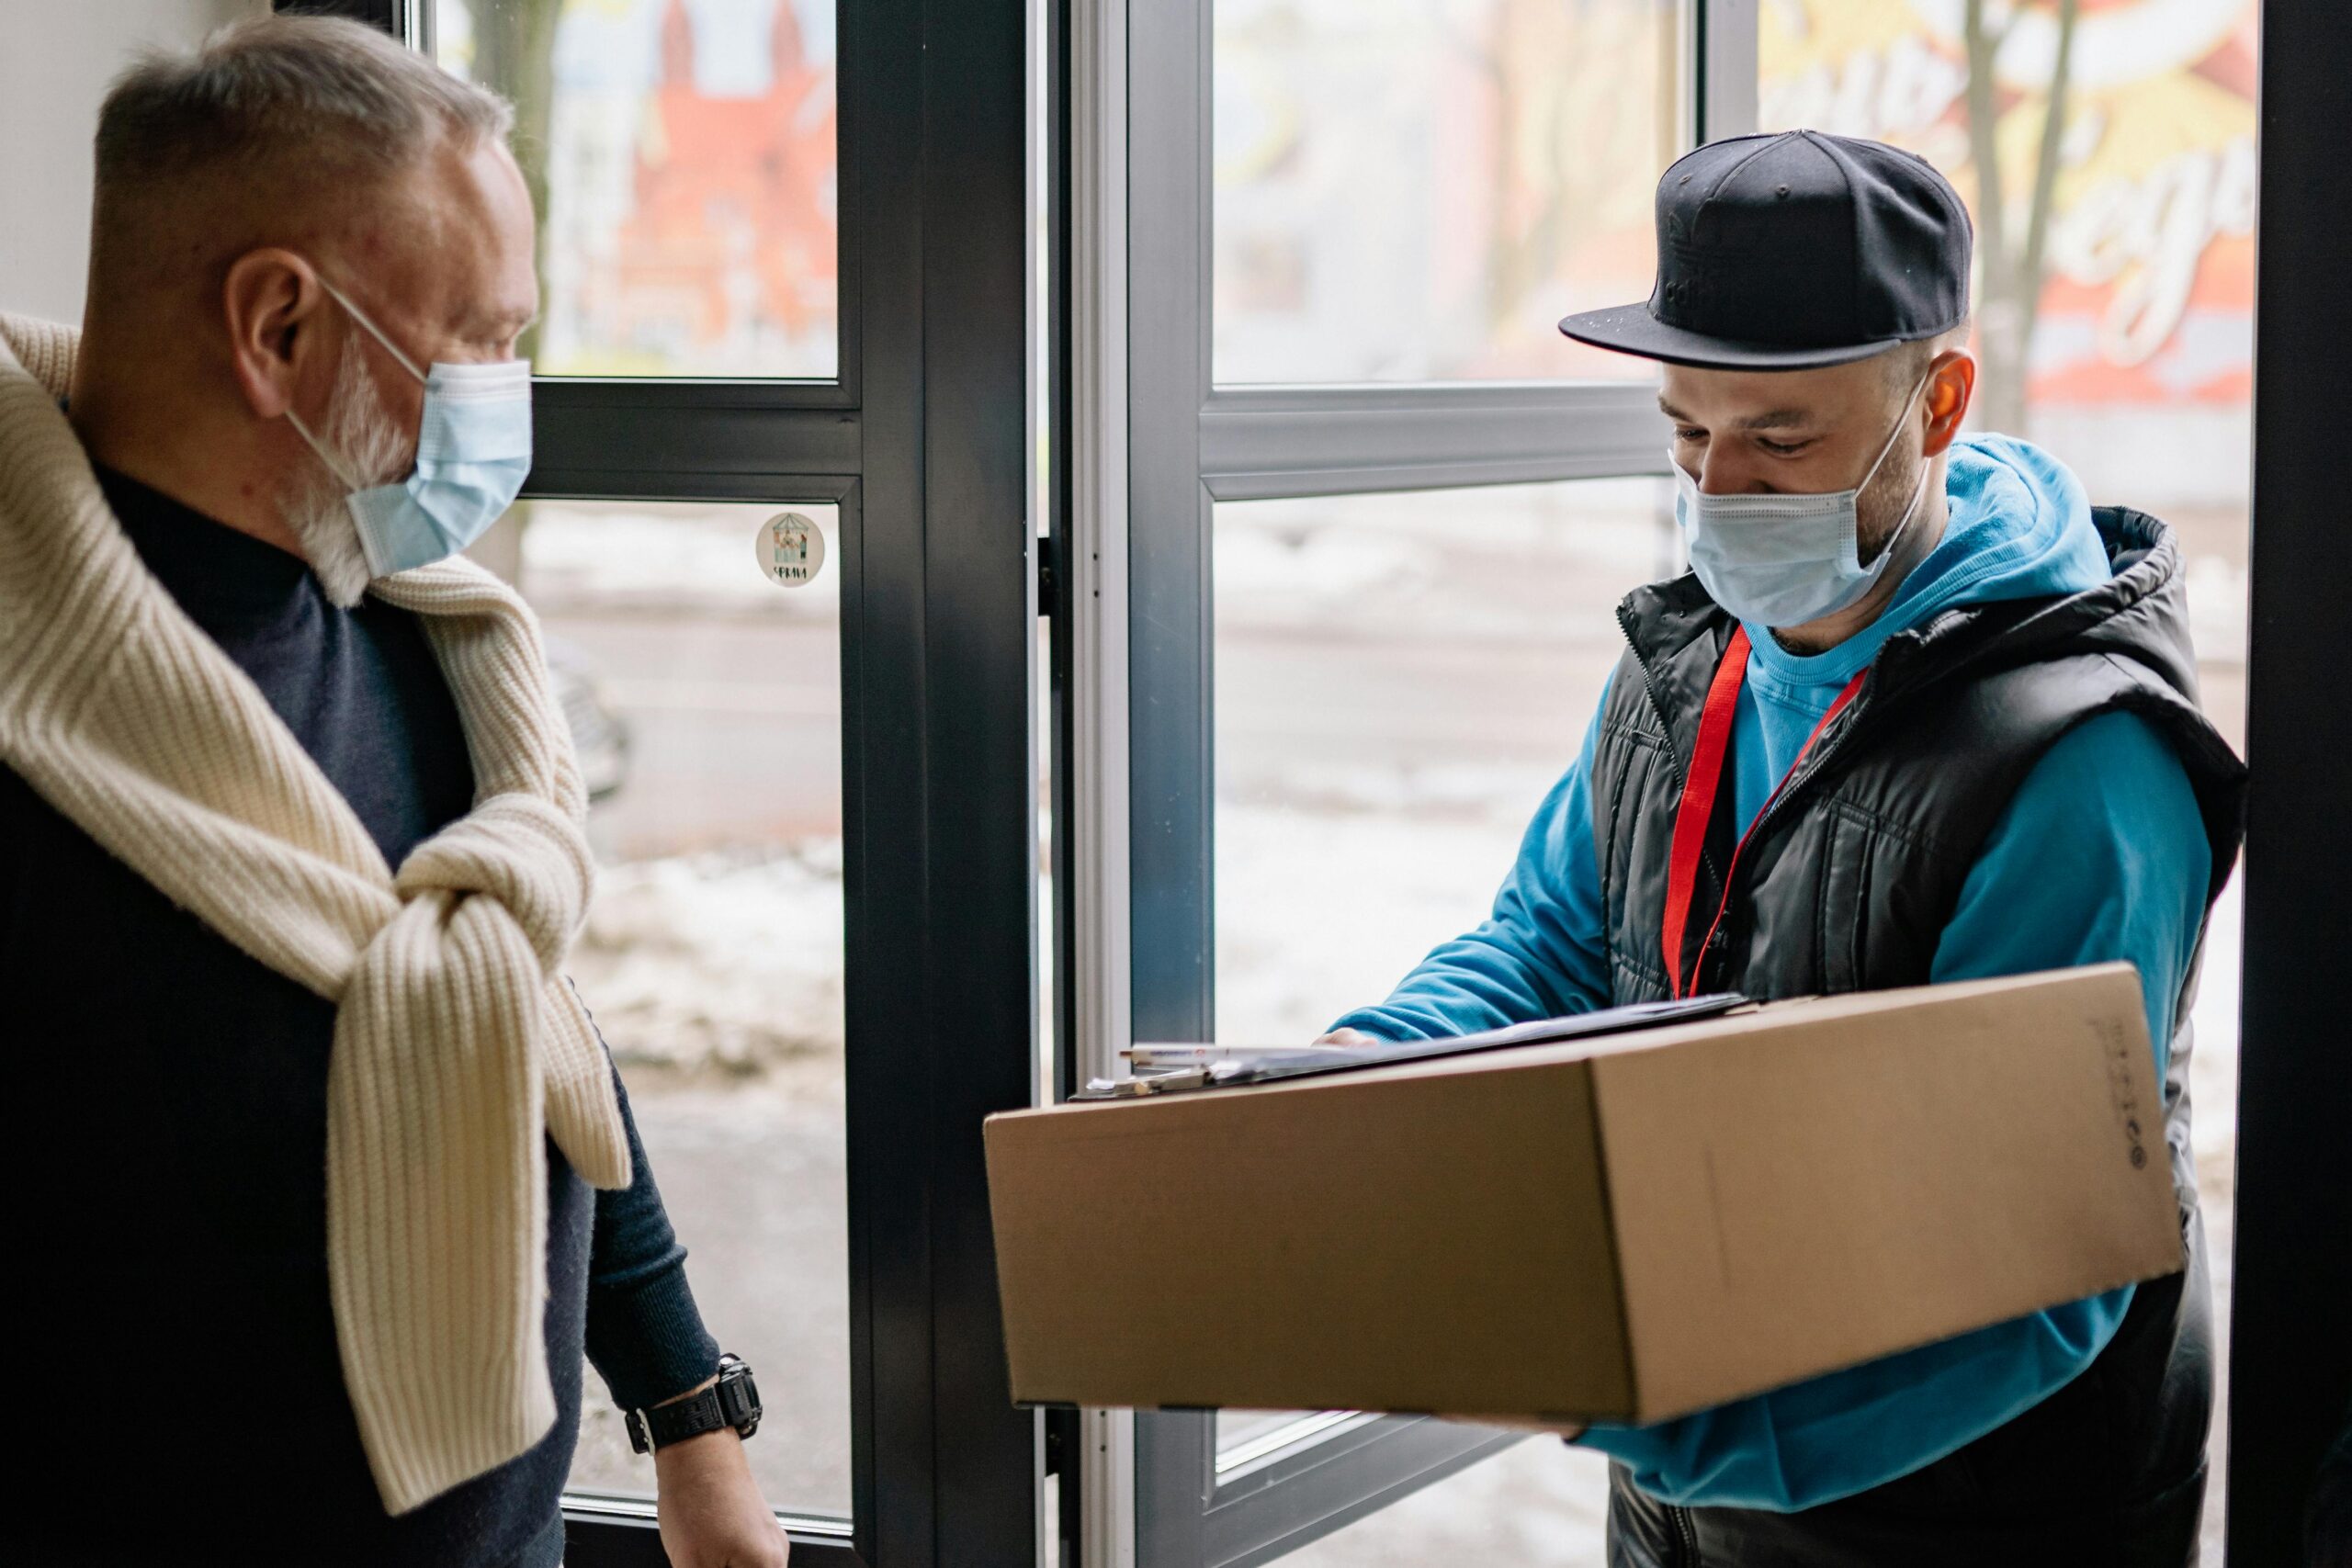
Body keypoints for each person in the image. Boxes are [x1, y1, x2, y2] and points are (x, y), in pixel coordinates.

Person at [1324, 130, 2244, 1565]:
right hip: (1692, 1499)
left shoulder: (2082, 763)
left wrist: (1683, 1417)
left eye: (1781, 439)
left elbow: (2042, 1277)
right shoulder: (1687, 658)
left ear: (1937, 403)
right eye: (1686, 433)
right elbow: (1551, 946)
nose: (1721, 489)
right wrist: (1351, 1092)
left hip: (1965, 1512)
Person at [0, 18, 786, 1567]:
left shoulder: (429, 642)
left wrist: (692, 1419)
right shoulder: (39, 745)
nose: (509, 390)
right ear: (279, 327)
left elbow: (523, 1019)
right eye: (483, 336)